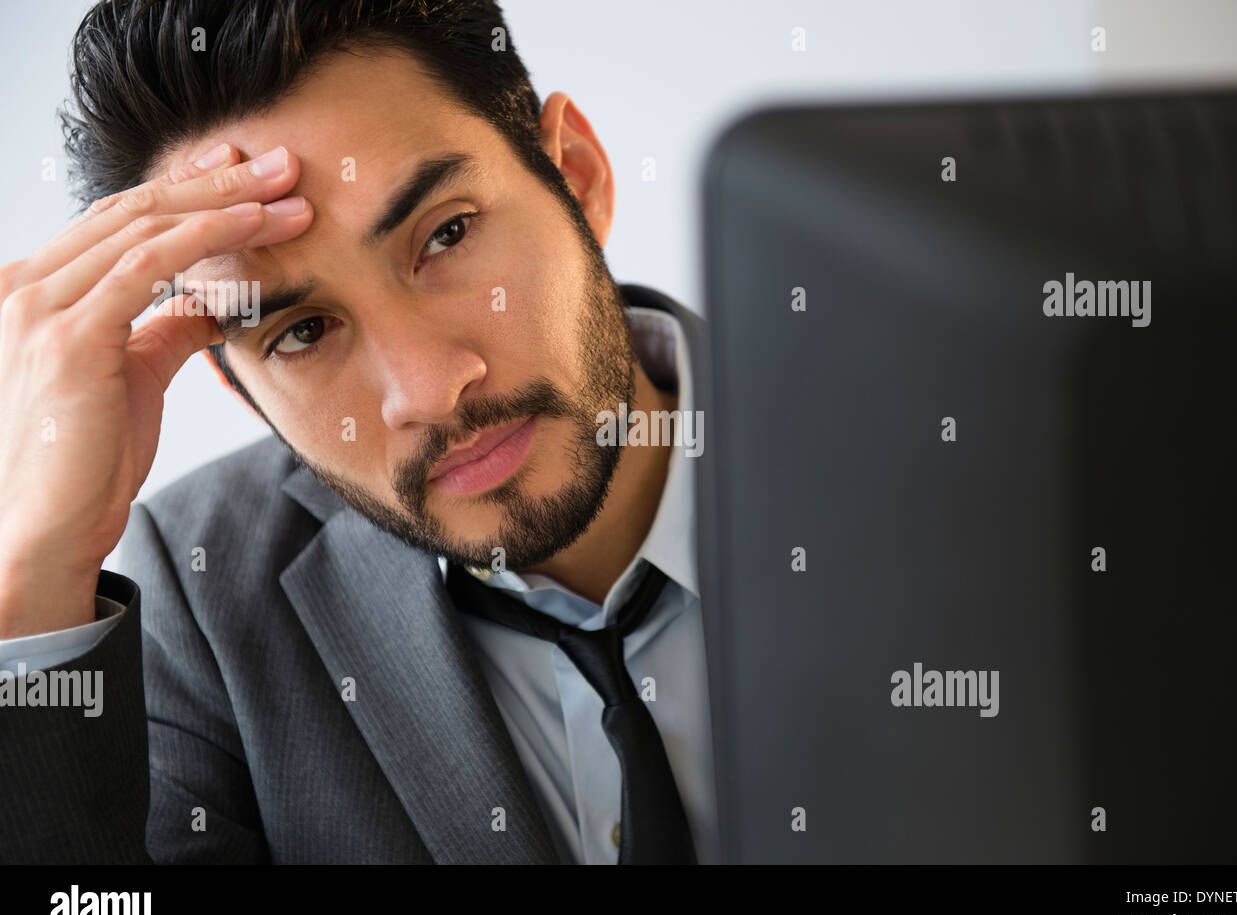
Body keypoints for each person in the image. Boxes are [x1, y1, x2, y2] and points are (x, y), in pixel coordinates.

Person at [0, 0, 715, 864]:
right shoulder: (196, 605)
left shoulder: (910, 448)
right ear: (236, 385)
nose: (429, 391)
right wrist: (36, 572)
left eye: (446, 235)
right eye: (299, 332)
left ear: (577, 173)